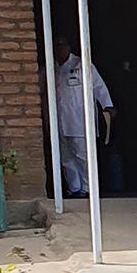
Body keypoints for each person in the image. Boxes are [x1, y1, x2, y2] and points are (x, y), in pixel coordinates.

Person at [53, 35, 113, 199]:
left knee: (83, 155)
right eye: (57, 46)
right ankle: (75, 188)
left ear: (69, 47)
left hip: (80, 119)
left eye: (63, 45)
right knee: (66, 158)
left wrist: (107, 105)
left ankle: (88, 187)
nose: (60, 49)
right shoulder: (52, 67)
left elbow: (99, 86)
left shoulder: (82, 64)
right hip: (60, 120)